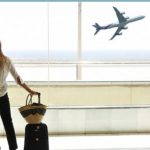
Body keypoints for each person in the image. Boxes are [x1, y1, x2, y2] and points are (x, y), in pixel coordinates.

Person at [0, 41, 39, 150]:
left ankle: (12, 147)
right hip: (3, 95)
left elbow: (17, 78)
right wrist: (29, 90)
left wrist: (29, 90)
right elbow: (18, 79)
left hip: (2, 95)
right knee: (8, 122)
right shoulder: (7, 61)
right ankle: (13, 147)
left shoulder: (7, 61)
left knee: (7, 122)